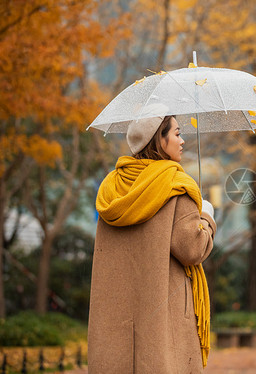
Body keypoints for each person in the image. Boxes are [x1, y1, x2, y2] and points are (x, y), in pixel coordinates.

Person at [88, 105, 216, 373]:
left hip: (117, 318)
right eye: (177, 134)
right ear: (160, 139)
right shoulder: (174, 186)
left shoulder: (113, 187)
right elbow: (192, 250)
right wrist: (206, 216)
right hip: (162, 315)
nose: (182, 141)